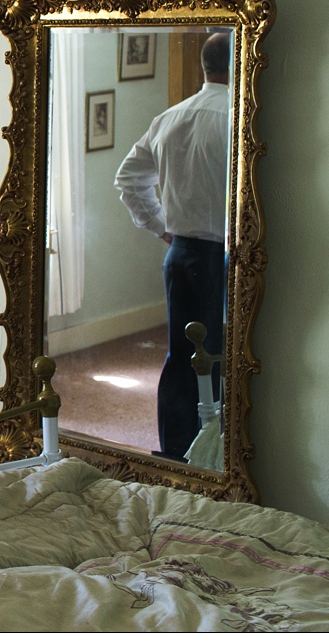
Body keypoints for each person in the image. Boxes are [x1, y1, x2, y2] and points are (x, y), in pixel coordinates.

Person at [113, 31, 231, 464]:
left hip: (179, 254)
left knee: (181, 356)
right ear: (236, 65)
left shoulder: (170, 118)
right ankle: (214, 459)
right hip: (223, 255)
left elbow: (128, 179)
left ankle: (175, 457)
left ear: (204, 66)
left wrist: (161, 226)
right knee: (218, 355)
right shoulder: (239, 118)